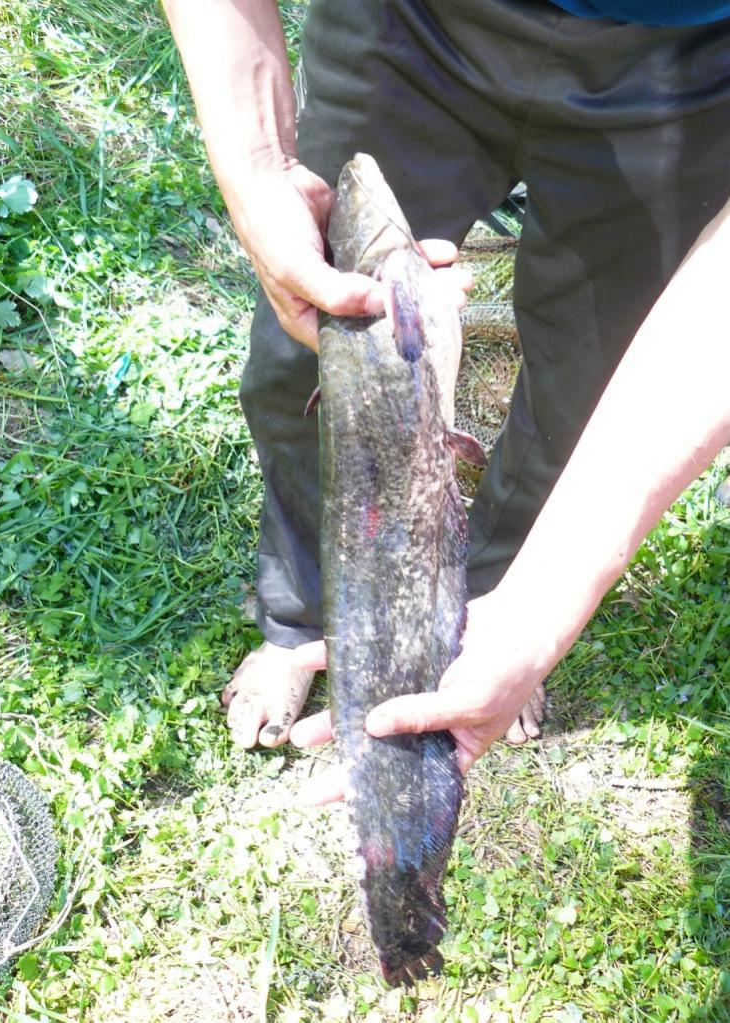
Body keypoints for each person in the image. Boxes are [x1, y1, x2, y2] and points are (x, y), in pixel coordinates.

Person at [163, 0, 730, 796]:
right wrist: (256, 168)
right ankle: (301, 620)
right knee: (301, 370)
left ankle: (487, 610)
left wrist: (537, 606)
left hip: (694, 62)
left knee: (582, 398)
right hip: (408, 25)